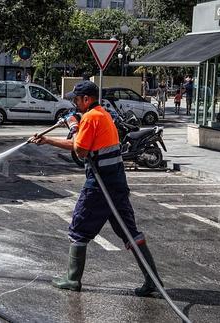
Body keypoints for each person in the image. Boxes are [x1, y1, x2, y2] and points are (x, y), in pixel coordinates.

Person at [28, 80, 163, 296]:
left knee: (79, 229)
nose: (74, 102)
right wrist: (74, 125)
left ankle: (72, 279)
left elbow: (81, 150)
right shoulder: (102, 114)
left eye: (76, 99)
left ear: (86, 99)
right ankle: (152, 280)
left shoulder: (91, 117)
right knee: (128, 231)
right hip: (116, 182)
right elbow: (89, 140)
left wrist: (47, 140)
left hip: (100, 185)